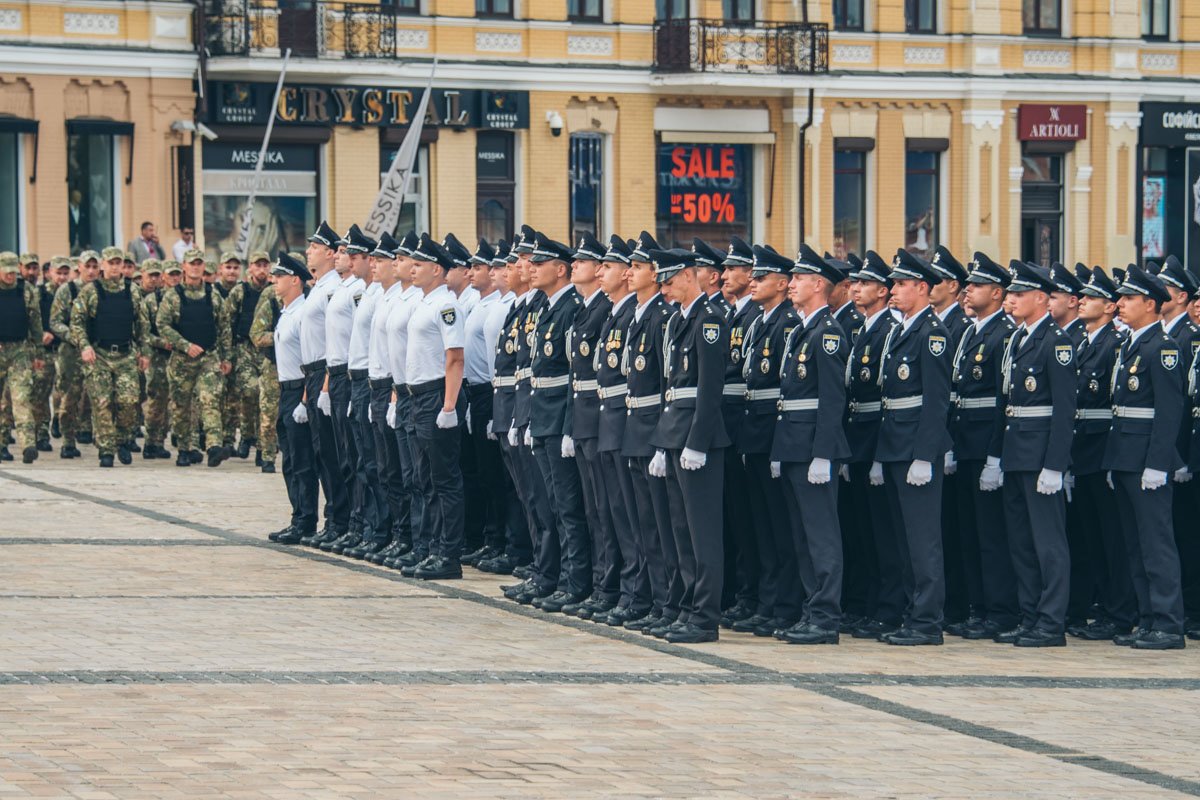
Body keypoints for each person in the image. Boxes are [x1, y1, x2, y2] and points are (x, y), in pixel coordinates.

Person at [990, 261, 1076, 648]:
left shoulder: (1054, 342)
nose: (1011, 300)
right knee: (1021, 542)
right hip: (1016, 453)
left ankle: (1051, 621)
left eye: (1019, 294)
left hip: (1041, 455)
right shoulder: (1020, 339)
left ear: (1041, 298)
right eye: (1010, 294)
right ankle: (1030, 615)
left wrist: (1055, 464)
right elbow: (1007, 402)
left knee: (1048, 543)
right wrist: (997, 457)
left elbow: (1064, 408)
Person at [649, 247, 730, 644]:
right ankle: (686, 607)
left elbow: (709, 390)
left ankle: (704, 615)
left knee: (702, 533)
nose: (663, 290)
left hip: (700, 440)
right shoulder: (679, 321)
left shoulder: (709, 320)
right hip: (675, 435)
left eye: (668, 281)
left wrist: (696, 442)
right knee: (681, 530)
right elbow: (673, 388)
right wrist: (664, 444)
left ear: (687, 276)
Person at [1104, 265, 1187, 650]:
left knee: (1156, 543)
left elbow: (1169, 413)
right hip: (1125, 457)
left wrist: (1158, 464)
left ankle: (1168, 623)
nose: (1120, 304)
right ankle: (1147, 617)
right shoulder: (1133, 344)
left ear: (1150, 304)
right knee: (1135, 544)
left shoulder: (1163, 347)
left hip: (1146, 461)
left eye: (1129, 299)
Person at [771, 244, 850, 645]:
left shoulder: (829, 333)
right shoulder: (803, 329)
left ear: (819, 284)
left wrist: (823, 453)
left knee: (821, 534)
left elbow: (833, 399)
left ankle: (825, 616)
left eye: (799, 278)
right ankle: (810, 609)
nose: (793, 284)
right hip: (793, 445)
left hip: (813, 449)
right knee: (802, 534)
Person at [873, 249, 953, 646]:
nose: (894, 291)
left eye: (902, 284)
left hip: (915, 449)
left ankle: (927, 620)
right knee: (903, 539)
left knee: (923, 539)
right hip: (893, 445)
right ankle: (911, 611)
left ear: (922, 288)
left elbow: (936, 401)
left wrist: (925, 455)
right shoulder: (900, 330)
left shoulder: (932, 333)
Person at [947, 253, 1019, 641]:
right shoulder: (973, 331)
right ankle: (977, 607)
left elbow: (999, 401)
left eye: (975, 286)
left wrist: (996, 455)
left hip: (985, 445)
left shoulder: (1002, 334)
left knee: (992, 536)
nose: (967, 290)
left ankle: (1000, 610)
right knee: (969, 533)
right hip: (964, 444)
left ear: (996, 292)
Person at [732, 245, 801, 638]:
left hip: (773, 434)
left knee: (780, 528)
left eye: (761, 278)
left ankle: (783, 604)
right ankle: (765, 599)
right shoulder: (761, 322)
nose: (753, 283)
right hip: (753, 433)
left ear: (781, 283)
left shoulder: (787, 324)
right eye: (753, 277)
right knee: (760, 527)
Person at [1067, 266, 1135, 641]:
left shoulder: (1115, 343)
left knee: (1112, 540)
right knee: (1089, 538)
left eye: (1091, 298)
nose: (1082, 302)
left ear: (1109, 307)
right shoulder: (1083, 341)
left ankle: (1119, 612)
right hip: (1082, 450)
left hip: (1101, 449)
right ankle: (1098, 610)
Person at [839, 251, 903, 640]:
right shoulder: (865, 328)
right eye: (854, 282)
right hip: (858, 440)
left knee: (886, 532)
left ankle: (889, 607)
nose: (854, 288)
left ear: (882, 291)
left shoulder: (889, 330)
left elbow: (886, 397)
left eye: (863, 283)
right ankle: (866, 603)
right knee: (862, 530)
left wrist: (879, 453)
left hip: (877, 439)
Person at [526, 233, 591, 612]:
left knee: (568, 506)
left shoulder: (570, 308)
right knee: (550, 503)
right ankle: (555, 575)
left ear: (560, 269)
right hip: (542, 414)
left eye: (540, 264)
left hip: (559, 417)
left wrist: (568, 425)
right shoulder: (549, 306)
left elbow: (572, 376)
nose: (532, 270)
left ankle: (573, 581)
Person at [614, 232, 675, 633]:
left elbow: (669, 380)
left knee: (660, 524)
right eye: (631, 266)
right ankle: (650, 597)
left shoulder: (660, 318)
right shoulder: (636, 316)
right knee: (639, 522)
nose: (631, 274)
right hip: (633, 426)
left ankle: (665, 600)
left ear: (656, 275)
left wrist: (663, 440)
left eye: (638, 268)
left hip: (653, 427)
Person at [561, 232, 619, 619]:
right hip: (582, 418)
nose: (578, 267)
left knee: (607, 510)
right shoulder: (584, 309)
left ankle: (607, 586)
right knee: (594, 510)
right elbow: (575, 374)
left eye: (588, 262)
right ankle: (596, 584)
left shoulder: (602, 311)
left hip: (602, 421)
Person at [591, 235, 648, 626]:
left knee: (633, 518)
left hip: (626, 421)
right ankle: (623, 590)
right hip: (608, 418)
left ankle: (636, 593)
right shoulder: (617, 314)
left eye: (607, 267)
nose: (600, 272)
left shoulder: (633, 315)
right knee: (612, 512)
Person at [404, 234, 467, 580]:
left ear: (437, 270)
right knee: (425, 478)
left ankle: (449, 555)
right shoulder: (424, 302)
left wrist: (448, 406)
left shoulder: (447, 306)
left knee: (445, 480)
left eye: (419, 265)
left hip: (436, 394)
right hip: (419, 395)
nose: (413, 269)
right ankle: (430, 549)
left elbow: (454, 357)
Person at [69, 246, 148, 467]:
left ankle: (123, 439)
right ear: (103, 265)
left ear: (123, 265)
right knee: (102, 402)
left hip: (125, 355)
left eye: (118, 263)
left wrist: (144, 351)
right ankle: (106, 449)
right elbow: (76, 322)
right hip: (99, 355)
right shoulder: (90, 291)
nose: (115, 267)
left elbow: (142, 324)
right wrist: (84, 346)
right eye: (110, 263)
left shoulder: (132, 291)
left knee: (129, 402)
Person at [298, 221, 351, 546]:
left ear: (330, 253)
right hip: (316, 373)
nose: (308, 251)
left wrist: (326, 384)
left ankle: (339, 520)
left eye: (315, 247)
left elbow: (337, 342)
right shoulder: (320, 286)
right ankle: (335, 517)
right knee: (322, 452)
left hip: (329, 372)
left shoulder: (333, 288)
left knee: (334, 453)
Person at [717, 236, 761, 628]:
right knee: (735, 518)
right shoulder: (732, 315)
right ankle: (739, 593)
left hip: (746, 426)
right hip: (728, 426)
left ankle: (752, 595)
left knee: (751, 520)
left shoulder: (753, 318)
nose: (724, 275)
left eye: (733, 269)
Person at [318, 228, 369, 554]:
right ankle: (350, 522)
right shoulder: (341, 289)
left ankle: (359, 524)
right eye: (337, 252)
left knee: (356, 457)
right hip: (336, 375)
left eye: (345, 253)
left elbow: (357, 341)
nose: (338, 256)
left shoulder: (357, 292)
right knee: (343, 456)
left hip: (353, 376)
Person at [157, 248, 232, 468]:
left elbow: (224, 326)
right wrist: (184, 345)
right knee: (182, 406)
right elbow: (162, 325)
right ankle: (184, 448)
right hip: (182, 360)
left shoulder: (213, 294)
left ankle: (214, 447)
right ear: (184, 267)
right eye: (192, 263)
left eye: (200, 263)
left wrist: (225, 357)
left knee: (210, 400)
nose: (196, 267)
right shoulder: (173, 295)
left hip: (208, 357)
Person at [359, 233, 409, 560]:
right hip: (376, 387)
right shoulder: (382, 296)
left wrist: (391, 395)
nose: (374, 265)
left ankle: (405, 535)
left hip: (395, 389)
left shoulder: (405, 299)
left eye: (381, 260)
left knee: (402, 471)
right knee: (385, 469)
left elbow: (402, 356)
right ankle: (395, 533)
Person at [339, 230, 389, 558]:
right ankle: (370, 526)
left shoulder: (379, 295)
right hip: (357, 380)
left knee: (378, 463)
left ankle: (380, 530)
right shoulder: (365, 293)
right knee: (364, 462)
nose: (351, 261)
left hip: (373, 383)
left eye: (357, 256)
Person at [267, 253, 319, 545]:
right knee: (289, 461)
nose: (274, 280)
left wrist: (304, 399)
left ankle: (306, 520)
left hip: (300, 389)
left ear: (295, 280)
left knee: (302, 461)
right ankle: (297, 514)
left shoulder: (303, 313)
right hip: (285, 389)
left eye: (280, 276)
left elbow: (310, 362)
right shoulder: (286, 311)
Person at [50, 250, 98, 457]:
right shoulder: (67, 290)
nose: (91, 270)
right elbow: (55, 322)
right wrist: (77, 338)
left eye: (95, 266)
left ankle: (100, 437)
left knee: (98, 396)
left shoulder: (103, 290)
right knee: (70, 396)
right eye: (87, 266)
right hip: (71, 351)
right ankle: (68, 440)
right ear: (79, 267)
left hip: (98, 350)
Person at [226, 251, 271, 462]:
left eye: (265, 265)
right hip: (244, 349)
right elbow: (227, 323)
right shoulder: (239, 292)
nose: (262, 269)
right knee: (249, 392)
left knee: (267, 397)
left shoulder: (274, 291)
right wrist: (228, 354)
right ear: (250, 269)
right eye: (257, 265)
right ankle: (246, 436)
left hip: (266, 350)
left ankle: (264, 445)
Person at [0, 251, 44, 463]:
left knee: (21, 398)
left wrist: (38, 353)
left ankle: (28, 444)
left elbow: (35, 324)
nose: (10, 276)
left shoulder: (26, 290)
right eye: (6, 272)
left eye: (12, 272)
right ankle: (1, 443)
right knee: (2, 402)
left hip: (19, 351)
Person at [139, 260, 173, 460]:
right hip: (156, 357)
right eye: (150, 275)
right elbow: (144, 332)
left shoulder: (176, 298)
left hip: (175, 357)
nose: (154, 279)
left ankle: (160, 441)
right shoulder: (150, 301)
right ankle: (150, 441)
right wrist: (161, 342)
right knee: (156, 401)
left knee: (170, 402)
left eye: (156, 275)